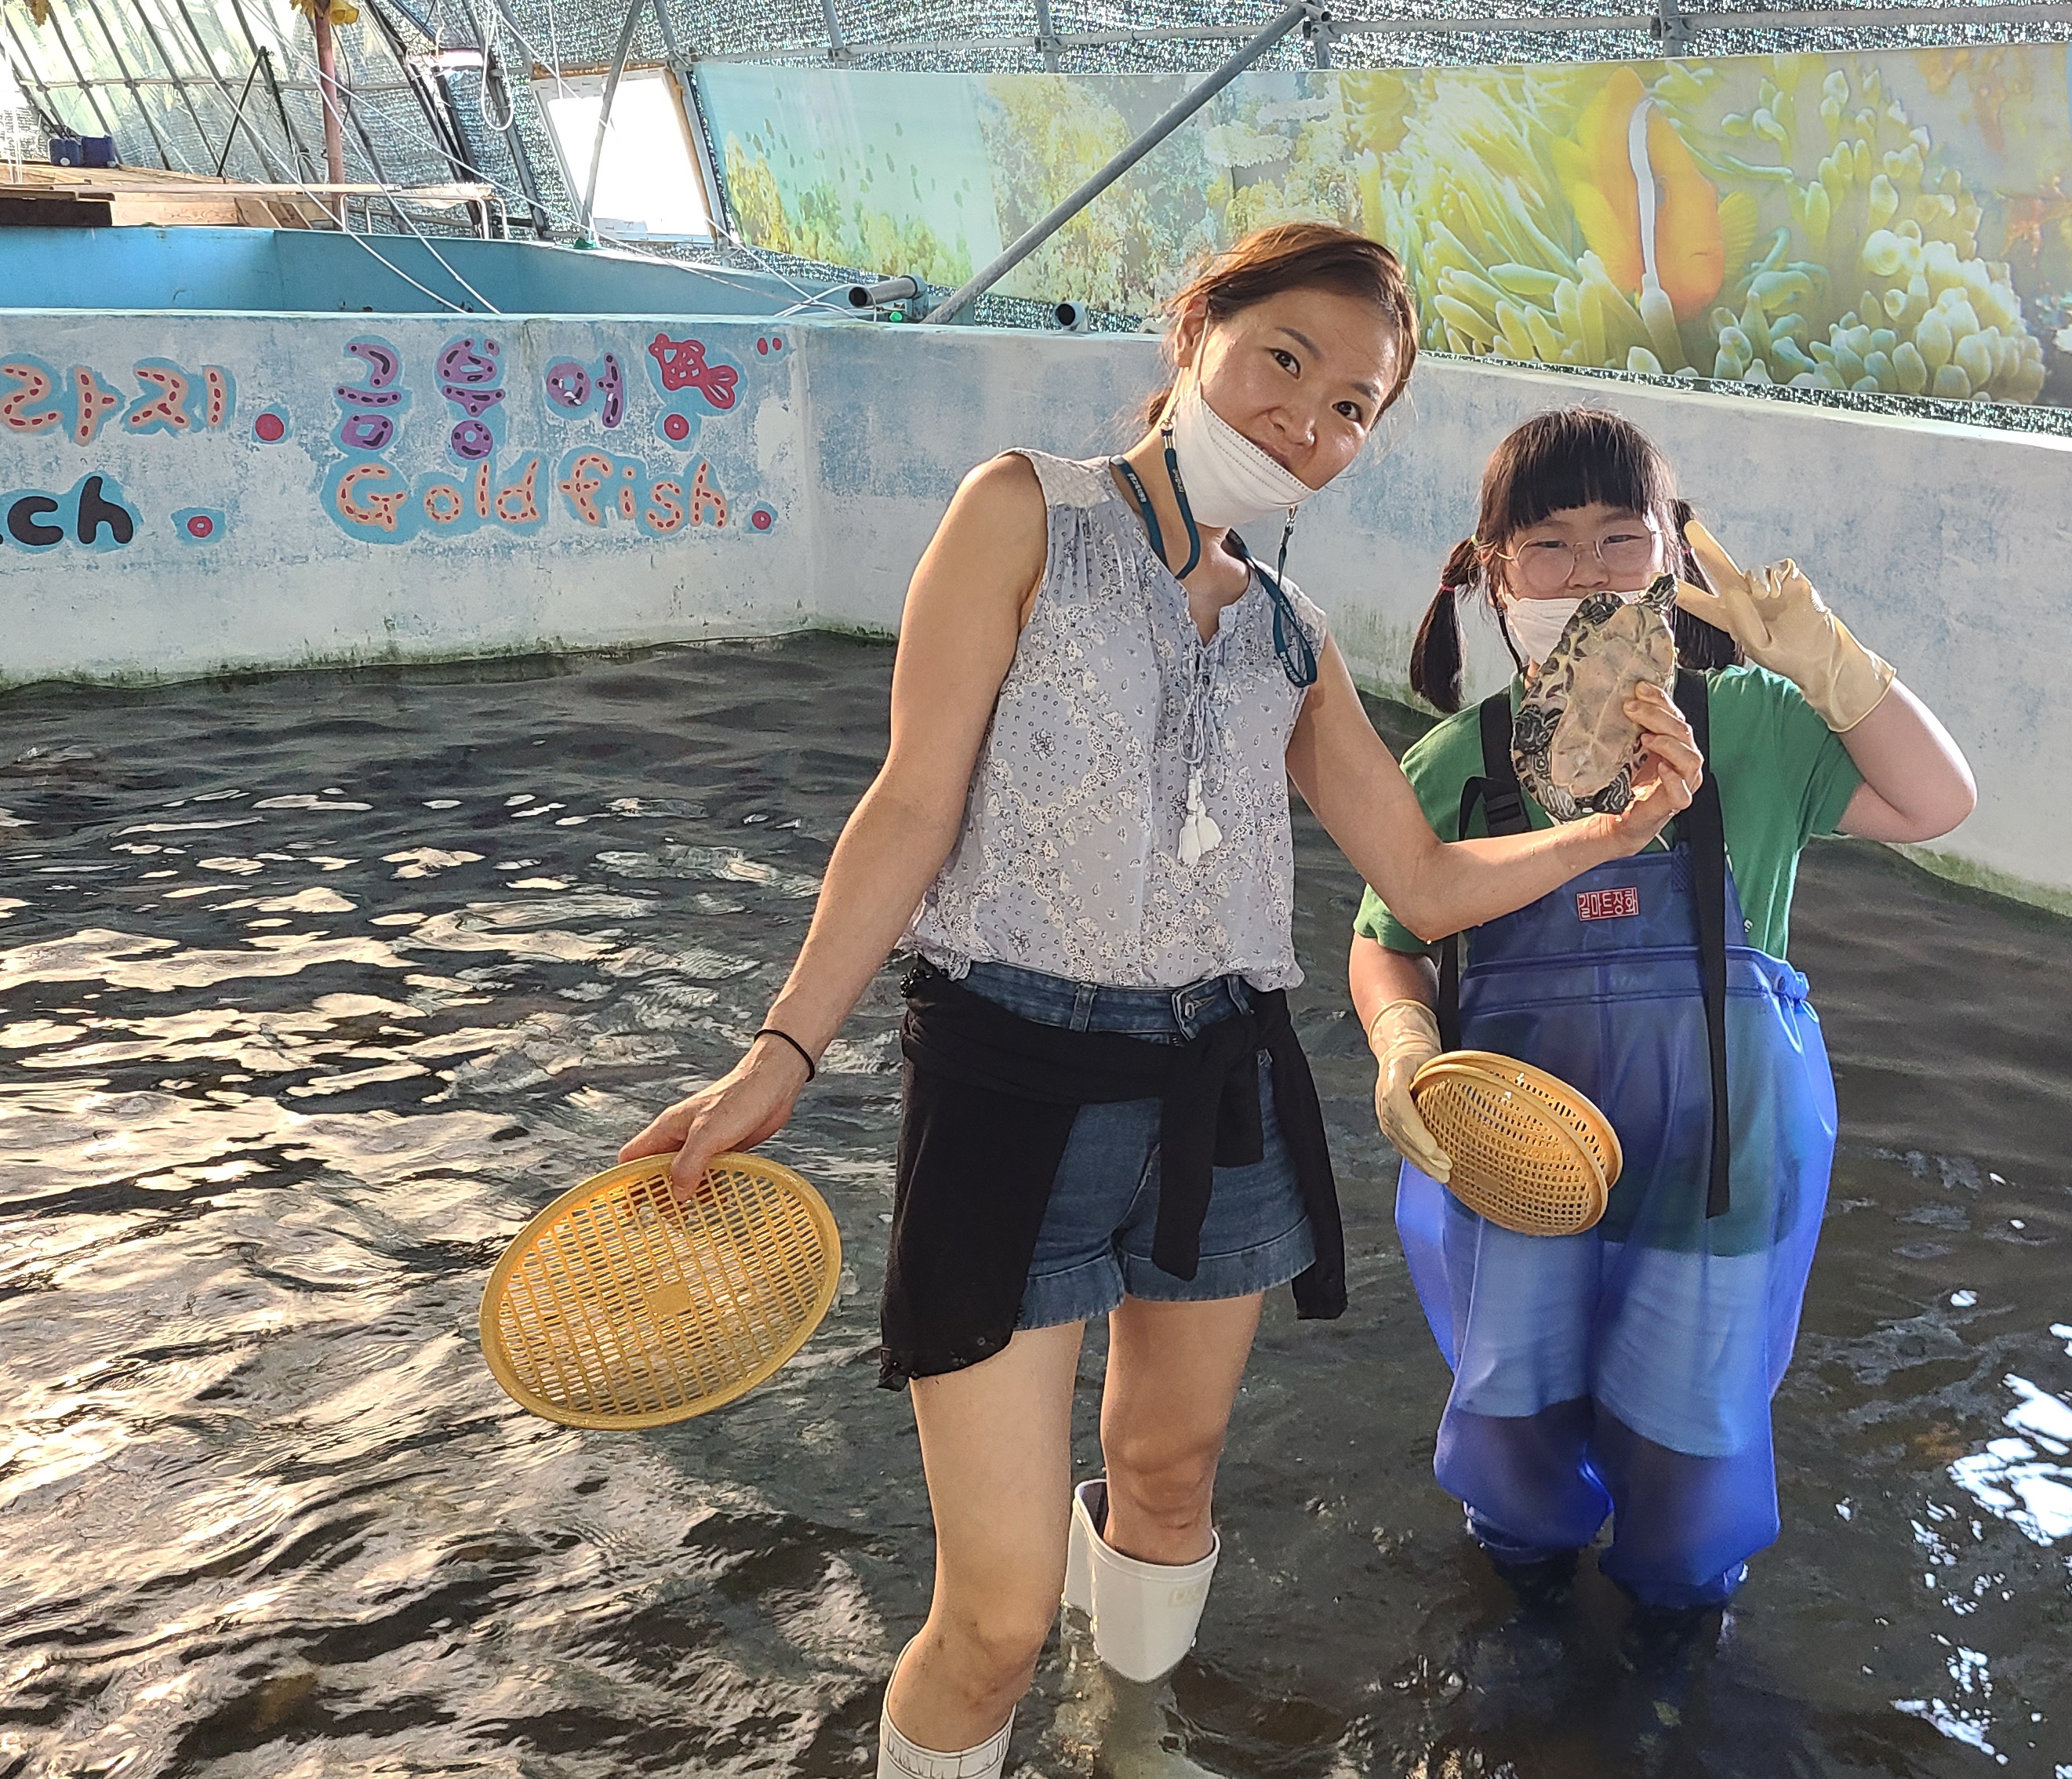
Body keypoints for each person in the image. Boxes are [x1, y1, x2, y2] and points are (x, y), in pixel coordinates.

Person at [618, 231, 1706, 1779]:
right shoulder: (1023, 513)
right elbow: (911, 803)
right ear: (1196, 328)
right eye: (1285, 361)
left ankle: (1127, 1738)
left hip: (1222, 1086)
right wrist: (782, 1050)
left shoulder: (1290, 631)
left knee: (1172, 1471)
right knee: (995, 1615)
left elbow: (1422, 877)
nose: (1309, 421)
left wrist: (1618, 831)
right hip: (1008, 1074)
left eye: (1354, 406)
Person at [1347, 406, 1976, 1656]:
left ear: (1673, 558)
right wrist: (1403, 1044)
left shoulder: (1756, 724)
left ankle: (1676, 1651)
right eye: (1548, 544)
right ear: (1493, 575)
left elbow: (1936, 800)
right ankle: (1520, 1612)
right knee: (1513, 1420)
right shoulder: (1458, 761)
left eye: (1620, 539)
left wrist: (1831, 663)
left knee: (1692, 1445)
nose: (1587, 573)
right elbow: (1390, 932)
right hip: (1519, 1160)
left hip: (1715, 1167)